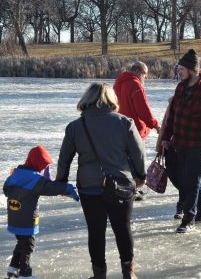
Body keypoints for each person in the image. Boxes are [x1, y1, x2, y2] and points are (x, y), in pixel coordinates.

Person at [56, 83, 146, 279]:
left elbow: (65, 158)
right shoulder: (124, 122)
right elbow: (138, 153)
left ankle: (99, 275)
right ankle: (128, 272)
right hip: (121, 185)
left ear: (86, 99)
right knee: (123, 228)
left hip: (90, 187)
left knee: (96, 232)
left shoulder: (75, 127)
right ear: (111, 99)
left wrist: (61, 181)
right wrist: (141, 176)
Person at [162, 49, 201, 234]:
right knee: (180, 178)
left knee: (191, 180)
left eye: (181, 69)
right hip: (178, 142)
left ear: (192, 70)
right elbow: (173, 115)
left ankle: (189, 218)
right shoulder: (180, 87)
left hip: (196, 143)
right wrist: (166, 137)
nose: (179, 72)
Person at [4, 145, 79, 279]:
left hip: (14, 217)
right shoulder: (35, 179)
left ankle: (13, 268)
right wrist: (68, 188)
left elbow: (6, 189)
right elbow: (51, 188)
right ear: (38, 163)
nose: (44, 168)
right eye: (43, 165)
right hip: (27, 220)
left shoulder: (15, 173)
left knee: (21, 242)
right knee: (28, 245)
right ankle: (25, 273)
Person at [113, 61, 160, 201]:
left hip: (118, 127)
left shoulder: (117, 83)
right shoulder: (135, 85)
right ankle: (133, 189)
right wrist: (156, 125)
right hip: (134, 130)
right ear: (139, 71)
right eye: (145, 74)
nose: (145, 78)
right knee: (135, 161)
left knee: (123, 160)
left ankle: (124, 187)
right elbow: (143, 110)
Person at [155, 96, 183, 219]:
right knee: (172, 174)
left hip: (186, 147)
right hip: (170, 147)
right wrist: (164, 140)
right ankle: (196, 203)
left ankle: (183, 206)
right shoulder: (173, 104)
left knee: (187, 180)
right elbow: (166, 124)